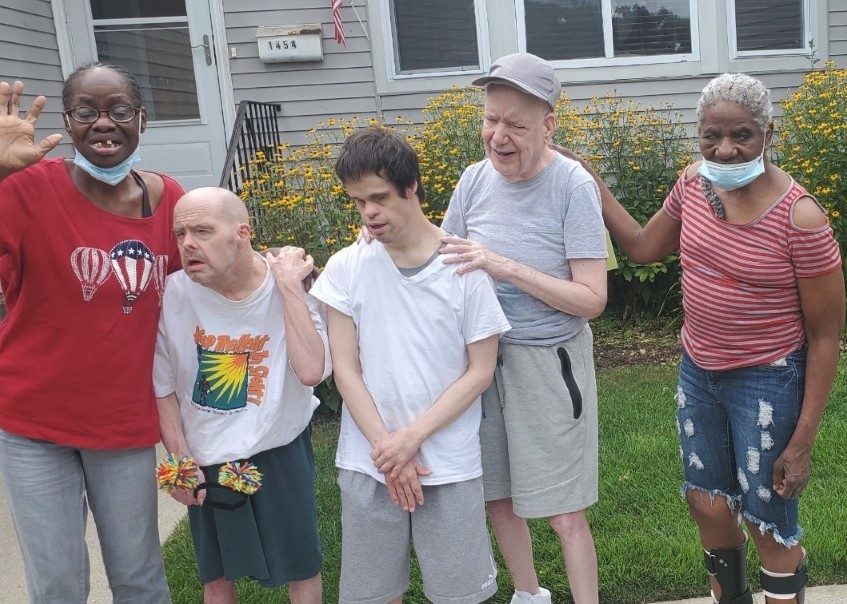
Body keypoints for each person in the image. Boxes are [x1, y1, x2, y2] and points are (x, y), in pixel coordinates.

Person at [575, 73, 844, 604]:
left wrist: (804, 439)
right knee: (707, 503)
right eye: (711, 136)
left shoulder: (801, 217)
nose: (725, 148)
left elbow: (827, 334)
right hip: (699, 372)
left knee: (768, 520)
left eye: (741, 135)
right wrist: (593, 184)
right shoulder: (693, 185)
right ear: (698, 135)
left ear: (768, 133)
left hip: (769, 380)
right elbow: (642, 248)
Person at [0, 64, 182, 603]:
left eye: (119, 110)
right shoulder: (25, 190)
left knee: (139, 579)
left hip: (123, 424)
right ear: (68, 121)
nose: (104, 123)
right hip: (33, 423)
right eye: (86, 111)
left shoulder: (169, 199)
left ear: (141, 119)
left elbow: (211, 280)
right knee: (57, 585)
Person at [310, 126, 511, 604]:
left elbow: (480, 372)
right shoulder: (346, 267)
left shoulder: (464, 268)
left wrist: (410, 439)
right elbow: (346, 369)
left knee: (460, 595)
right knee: (373, 595)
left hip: (447, 462)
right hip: (368, 461)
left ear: (411, 186)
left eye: (378, 197)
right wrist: (388, 449)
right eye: (358, 202)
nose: (369, 212)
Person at [438, 52, 608, 603]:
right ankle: (530, 594)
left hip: (548, 363)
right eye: (491, 119)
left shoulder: (573, 187)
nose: (498, 135)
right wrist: (385, 235)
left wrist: (502, 264)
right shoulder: (472, 180)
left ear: (549, 124)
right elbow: (443, 253)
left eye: (515, 123)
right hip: (483, 364)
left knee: (563, 513)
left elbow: (591, 299)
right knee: (498, 498)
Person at [153, 187, 330, 603]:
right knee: (216, 578)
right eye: (180, 234)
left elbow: (310, 371)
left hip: (279, 448)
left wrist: (287, 286)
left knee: (302, 566)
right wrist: (178, 461)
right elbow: (162, 389)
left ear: (242, 233)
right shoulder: (173, 293)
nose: (188, 244)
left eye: (202, 230)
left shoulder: (291, 282)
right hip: (206, 454)